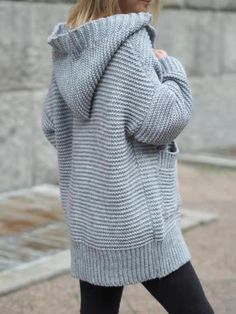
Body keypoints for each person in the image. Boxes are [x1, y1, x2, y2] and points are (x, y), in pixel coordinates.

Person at [41, 0, 215, 313]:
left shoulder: (71, 46)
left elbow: (52, 126)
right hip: (138, 222)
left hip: (90, 222)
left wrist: (96, 149)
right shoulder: (129, 41)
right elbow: (163, 121)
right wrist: (170, 70)